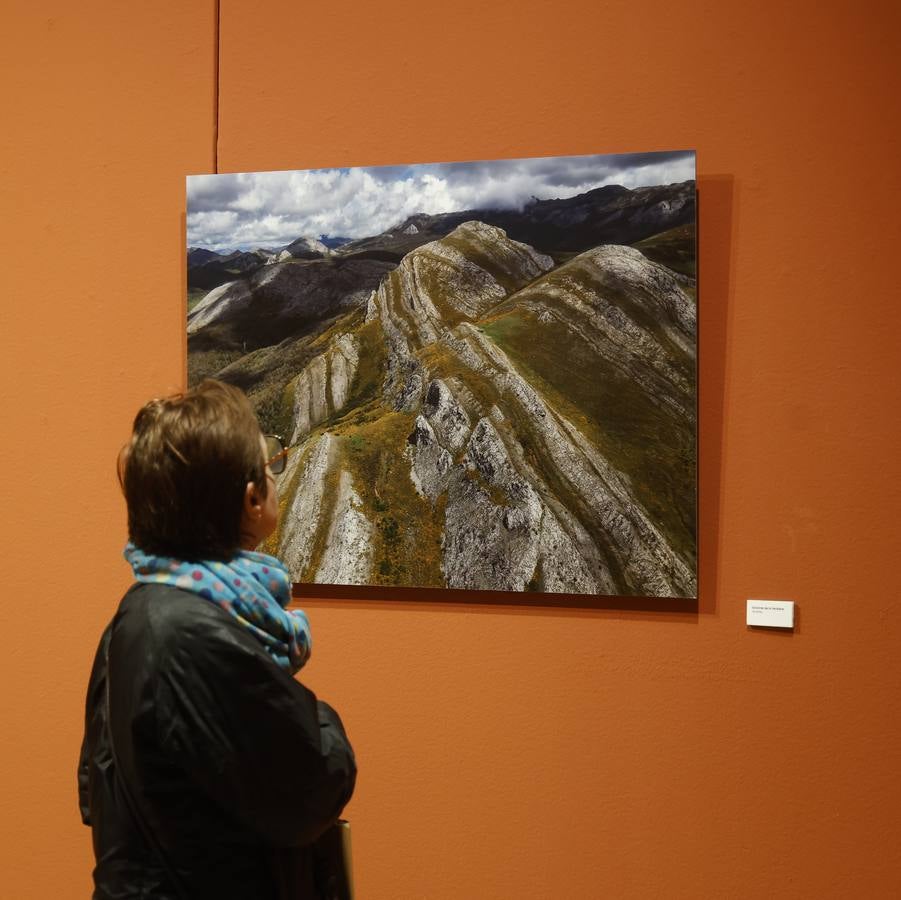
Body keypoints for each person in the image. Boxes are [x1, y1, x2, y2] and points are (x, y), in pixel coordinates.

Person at [78, 379, 356, 899]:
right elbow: (311, 790)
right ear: (251, 499)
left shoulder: (141, 613)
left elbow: (95, 795)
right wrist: (326, 721)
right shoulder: (191, 634)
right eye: (270, 461)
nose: (276, 472)